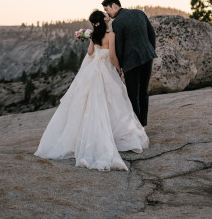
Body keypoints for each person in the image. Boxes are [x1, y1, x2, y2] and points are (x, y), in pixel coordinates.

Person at [34, 10, 148, 171]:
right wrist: (119, 69)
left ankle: (83, 138)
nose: (107, 15)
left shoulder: (94, 35)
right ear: (103, 20)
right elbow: (113, 55)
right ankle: (114, 136)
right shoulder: (111, 34)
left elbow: (90, 53)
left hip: (93, 69)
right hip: (106, 70)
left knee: (88, 102)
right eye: (105, 15)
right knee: (114, 101)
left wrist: (96, 50)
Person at [102, 0, 156, 127]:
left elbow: (119, 47)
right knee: (143, 91)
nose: (107, 12)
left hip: (131, 63)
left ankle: (138, 128)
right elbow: (152, 34)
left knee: (133, 95)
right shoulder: (139, 12)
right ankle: (143, 123)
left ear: (114, 5)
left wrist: (119, 67)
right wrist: (149, 51)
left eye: (107, 9)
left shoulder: (117, 22)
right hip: (147, 57)